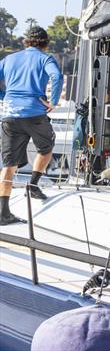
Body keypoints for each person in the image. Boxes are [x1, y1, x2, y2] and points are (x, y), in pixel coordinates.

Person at [0, 26, 63, 223]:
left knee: (8, 165)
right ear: (45, 43)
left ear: (25, 41)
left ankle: (3, 213)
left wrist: (4, 96)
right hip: (34, 113)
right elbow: (57, 76)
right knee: (46, 148)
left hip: (9, 114)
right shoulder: (45, 58)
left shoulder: (9, 59)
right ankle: (33, 186)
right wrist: (52, 102)